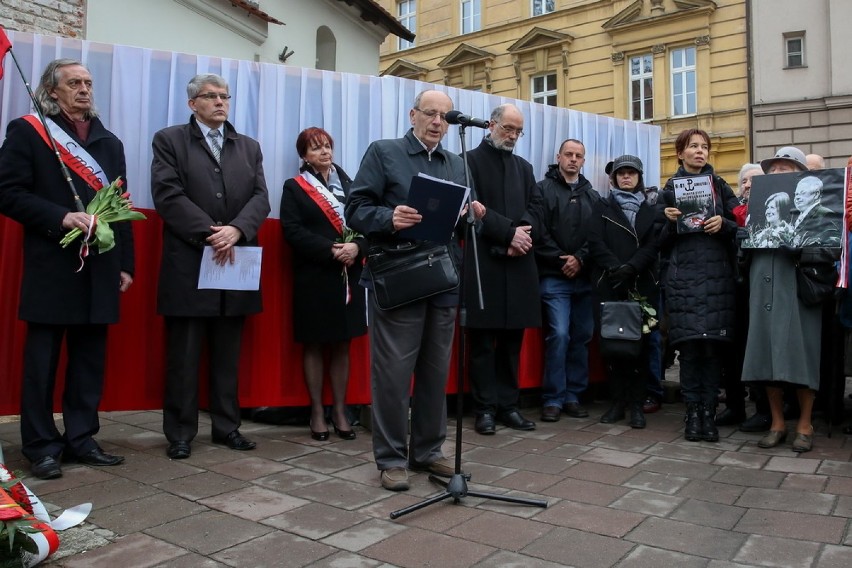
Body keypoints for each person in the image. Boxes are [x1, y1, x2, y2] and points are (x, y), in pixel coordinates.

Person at [0, 59, 134, 479]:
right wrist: (60, 217)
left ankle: (81, 438)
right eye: (74, 83)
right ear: (52, 91)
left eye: (89, 83)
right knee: (42, 361)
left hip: (100, 265)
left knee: (89, 358)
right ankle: (40, 446)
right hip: (52, 263)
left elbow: (121, 207)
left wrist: (125, 264)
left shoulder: (108, 142)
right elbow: (7, 192)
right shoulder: (30, 132)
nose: (84, 90)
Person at [345, 89, 484, 491]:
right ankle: (390, 459)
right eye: (430, 113)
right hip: (400, 276)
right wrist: (391, 217)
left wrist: (469, 215)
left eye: (444, 115)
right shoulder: (384, 152)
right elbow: (355, 208)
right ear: (413, 115)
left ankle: (428, 452)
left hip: (443, 276)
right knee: (392, 373)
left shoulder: (457, 163)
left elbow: (461, 224)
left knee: (435, 371)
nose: (438, 121)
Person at [151, 73, 270, 460]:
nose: (220, 102)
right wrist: (210, 232)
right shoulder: (170, 140)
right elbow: (167, 195)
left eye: (225, 96)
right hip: (189, 260)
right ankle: (181, 432)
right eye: (211, 96)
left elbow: (260, 197)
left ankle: (227, 426)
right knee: (183, 354)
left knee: (227, 351)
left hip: (235, 260)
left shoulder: (248, 147)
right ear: (193, 104)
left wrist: (237, 229)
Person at [743, 146, 837, 453]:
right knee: (765, 352)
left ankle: (805, 424)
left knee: (803, 353)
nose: (777, 174)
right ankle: (777, 422)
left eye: (785, 169)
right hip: (762, 282)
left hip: (798, 286)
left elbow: (831, 249)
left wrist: (800, 248)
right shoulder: (759, 204)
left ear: (799, 173)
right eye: (773, 170)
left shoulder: (820, 210)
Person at [280, 127, 366, 441]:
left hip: (349, 274)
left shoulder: (351, 185)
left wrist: (356, 247)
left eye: (327, 146)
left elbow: (366, 223)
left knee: (343, 344)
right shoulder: (295, 187)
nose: (324, 152)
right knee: (315, 343)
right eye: (316, 148)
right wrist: (329, 250)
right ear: (304, 155)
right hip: (315, 274)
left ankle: (341, 410)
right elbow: (292, 230)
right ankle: (317, 411)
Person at [462, 104, 540, 435]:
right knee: (481, 343)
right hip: (485, 262)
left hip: (519, 261)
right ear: (491, 125)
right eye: (508, 129)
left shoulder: (524, 167)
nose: (513, 136)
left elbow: (536, 207)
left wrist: (522, 233)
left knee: (512, 342)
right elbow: (473, 209)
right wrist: (509, 235)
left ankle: (509, 405)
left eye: (518, 131)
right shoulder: (469, 161)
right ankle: (485, 409)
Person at [661, 128, 739, 443]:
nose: (700, 151)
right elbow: (657, 242)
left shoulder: (720, 187)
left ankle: (709, 413)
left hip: (717, 280)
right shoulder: (668, 191)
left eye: (704, 146)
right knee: (690, 350)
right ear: (680, 153)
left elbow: (743, 228)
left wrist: (724, 225)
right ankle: (692, 413)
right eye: (693, 146)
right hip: (684, 283)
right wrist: (667, 222)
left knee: (712, 351)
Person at [587, 155, 663, 429]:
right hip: (610, 283)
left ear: (639, 177)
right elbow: (594, 240)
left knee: (641, 348)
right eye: (621, 174)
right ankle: (617, 402)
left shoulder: (651, 208)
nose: (626, 177)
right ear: (614, 178)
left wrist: (631, 267)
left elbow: (653, 245)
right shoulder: (602, 206)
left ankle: (637, 404)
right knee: (612, 346)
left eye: (631, 173)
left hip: (640, 284)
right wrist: (615, 267)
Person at [533, 139, 599, 422]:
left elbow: (597, 235)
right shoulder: (541, 190)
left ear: (584, 161)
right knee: (559, 334)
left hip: (584, 278)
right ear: (558, 156)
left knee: (582, 336)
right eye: (569, 154)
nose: (573, 159)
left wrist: (580, 259)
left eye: (579, 156)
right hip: (553, 276)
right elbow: (538, 231)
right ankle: (553, 398)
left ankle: (573, 395)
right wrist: (562, 259)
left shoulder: (593, 196)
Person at [790, 176, 841, 248]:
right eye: (796, 194)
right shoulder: (794, 217)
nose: (797, 198)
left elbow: (833, 246)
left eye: (803, 193)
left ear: (816, 194)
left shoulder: (826, 215)